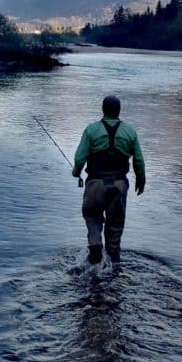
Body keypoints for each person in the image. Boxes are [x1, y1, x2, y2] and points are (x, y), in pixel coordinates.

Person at [72, 95, 145, 264]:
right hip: (119, 185)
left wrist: (77, 172)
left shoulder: (91, 130)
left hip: (95, 183)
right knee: (115, 226)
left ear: (102, 110)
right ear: (119, 111)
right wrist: (140, 180)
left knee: (92, 217)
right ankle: (114, 262)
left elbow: (79, 159)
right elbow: (139, 160)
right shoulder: (130, 131)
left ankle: (95, 246)